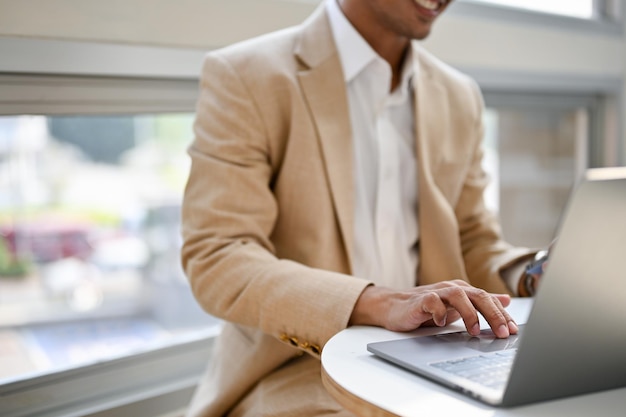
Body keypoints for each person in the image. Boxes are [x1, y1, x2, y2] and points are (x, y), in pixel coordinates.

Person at [180, 0, 546, 415]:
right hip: (296, 371)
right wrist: (382, 302)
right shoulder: (248, 76)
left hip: (434, 360)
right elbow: (218, 259)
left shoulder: (458, 95)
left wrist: (536, 274)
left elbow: (473, 241)